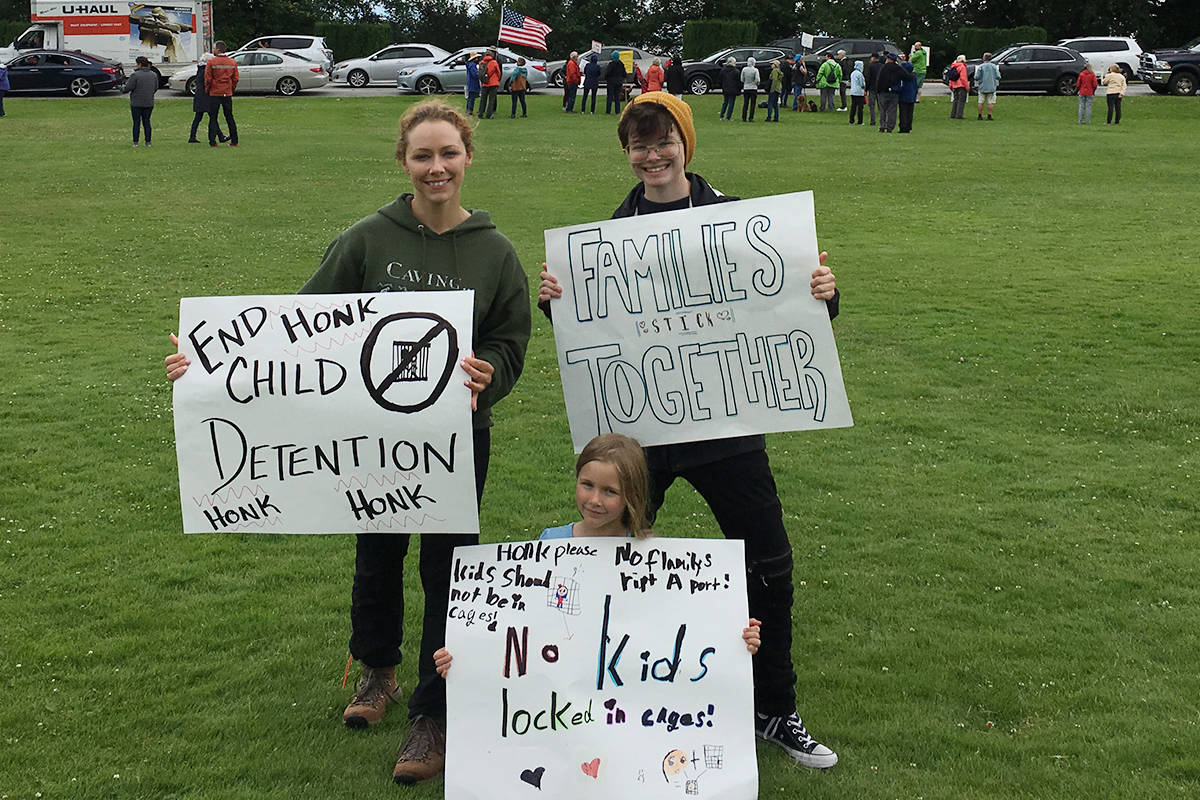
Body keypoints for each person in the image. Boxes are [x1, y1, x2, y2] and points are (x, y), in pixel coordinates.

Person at [164, 100, 531, 786]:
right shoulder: (366, 240)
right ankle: (377, 670)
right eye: (422, 155)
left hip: (454, 441)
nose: (436, 167)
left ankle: (434, 709)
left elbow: (510, 338)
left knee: (448, 570)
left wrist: (491, 372)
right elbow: (294, 329)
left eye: (448, 153)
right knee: (377, 556)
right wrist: (208, 366)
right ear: (403, 162)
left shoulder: (495, 252)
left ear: (468, 157)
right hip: (370, 441)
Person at [536, 92, 841, 770]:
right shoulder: (605, 240)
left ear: (686, 144)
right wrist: (557, 303)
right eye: (639, 146)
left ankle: (774, 707)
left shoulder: (739, 223)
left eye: (664, 142)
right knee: (602, 559)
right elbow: (593, 333)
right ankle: (586, 696)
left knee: (769, 567)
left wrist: (823, 291)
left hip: (728, 432)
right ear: (627, 153)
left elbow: (791, 313)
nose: (653, 156)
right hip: (638, 438)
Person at [433, 433, 764, 674]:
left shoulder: (651, 559)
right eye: (587, 485)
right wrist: (467, 655)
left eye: (609, 491)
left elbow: (677, 623)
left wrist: (733, 634)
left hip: (627, 687)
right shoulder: (550, 545)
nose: (594, 500)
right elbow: (522, 619)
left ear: (632, 495)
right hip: (560, 681)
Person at [188, 53, 227, 143]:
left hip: (200, 97)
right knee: (212, 117)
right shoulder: (205, 70)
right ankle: (220, 136)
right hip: (206, 96)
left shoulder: (200, 69)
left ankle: (192, 136)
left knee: (199, 117)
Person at [205, 40, 238, 146]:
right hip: (227, 92)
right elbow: (235, 78)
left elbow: (208, 78)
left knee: (213, 117)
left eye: (214, 48)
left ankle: (212, 141)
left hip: (215, 92)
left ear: (218, 50)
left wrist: (208, 89)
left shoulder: (211, 62)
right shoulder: (232, 62)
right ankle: (234, 140)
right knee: (229, 117)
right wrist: (231, 89)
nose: (213, 50)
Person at [123, 55, 158, 147]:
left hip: (136, 102)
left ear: (139, 64)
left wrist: (122, 89)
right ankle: (148, 142)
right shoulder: (153, 75)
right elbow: (155, 87)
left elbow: (128, 87)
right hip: (149, 102)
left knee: (136, 122)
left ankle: (136, 142)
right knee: (147, 122)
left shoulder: (135, 75)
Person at [876, 52, 903, 133]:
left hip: (883, 91)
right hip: (894, 92)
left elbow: (879, 79)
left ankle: (882, 125)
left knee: (882, 110)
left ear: (889, 59)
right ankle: (890, 127)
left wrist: (878, 90)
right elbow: (905, 76)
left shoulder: (884, 67)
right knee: (892, 111)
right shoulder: (898, 68)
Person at [975, 52, 1000, 120]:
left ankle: (979, 116)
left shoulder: (981, 66)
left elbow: (976, 77)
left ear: (984, 58)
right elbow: (998, 76)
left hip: (982, 86)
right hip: (991, 87)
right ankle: (989, 116)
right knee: (990, 102)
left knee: (981, 101)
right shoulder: (994, 66)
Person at [479, 48, 501, 119]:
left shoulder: (481, 63)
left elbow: (480, 73)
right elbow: (498, 73)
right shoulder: (494, 62)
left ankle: (480, 113)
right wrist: (497, 79)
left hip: (485, 83)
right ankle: (488, 115)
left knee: (483, 99)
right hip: (493, 83)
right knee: (491, 100)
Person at [897, 57, 917, 133]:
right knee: (910, 113)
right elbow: (915, 87)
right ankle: (908, 127)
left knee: (903, 113)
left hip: (903, 96)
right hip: (911, 97)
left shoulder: (903, 77)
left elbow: (901, 86)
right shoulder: (914, 76)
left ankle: (903, 127)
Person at [604, 50, 627, 114]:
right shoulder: (621, 64)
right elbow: (624, 73)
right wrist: (622, 78)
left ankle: (608, 111)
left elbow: (607, 73)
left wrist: (606, 78)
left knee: (610, 96)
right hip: (619, 82)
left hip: (611, 82)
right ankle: (617, 111)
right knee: (617, 97)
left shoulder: (611, 64)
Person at [947, 55, 969, 119]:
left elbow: (951, 78)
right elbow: (963, 78)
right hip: (961, 86)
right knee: (961, 101)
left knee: (955, 100)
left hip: (954, 85)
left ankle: (953, 114)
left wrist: (951, 85)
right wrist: (967, 87)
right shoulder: (962, 67)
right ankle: (959, 115)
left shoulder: (953, 66)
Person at [718, 56, 739, 121]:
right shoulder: (736, 71)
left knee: (725, 102)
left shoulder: (723, 70)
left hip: (725, 88)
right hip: (733, 89)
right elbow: (738, 81)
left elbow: (720, 79)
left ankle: (721, 116)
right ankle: (728, 117)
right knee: (731, 103)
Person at [740, 56, 759, 122]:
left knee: (745, 103)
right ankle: (751, 117)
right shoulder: (755, 70)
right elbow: (757, 79)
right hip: (753, 88)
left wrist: (745, 82)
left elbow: (742, 79)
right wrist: (756, 83)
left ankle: (744, 117)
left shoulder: (744, 69)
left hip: (746, 87)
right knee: (752, 104)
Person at [865, 52, 882, 126]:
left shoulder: (870, 66)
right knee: (880, 105)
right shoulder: (882, 66)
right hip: (880, 88)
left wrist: (866, 89)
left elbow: (868, 78)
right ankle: (882, 120)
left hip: (872, 88)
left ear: (873, 58)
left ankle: (873, 120)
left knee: (872, 105)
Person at [848, 59, 865, 125]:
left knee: (853, 107)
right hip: (859, 93)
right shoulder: (860, 74)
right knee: (860, 108)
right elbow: (862, 84)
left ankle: (851, 120)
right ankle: (860, 121)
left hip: (853, 92)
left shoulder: (853, 73)